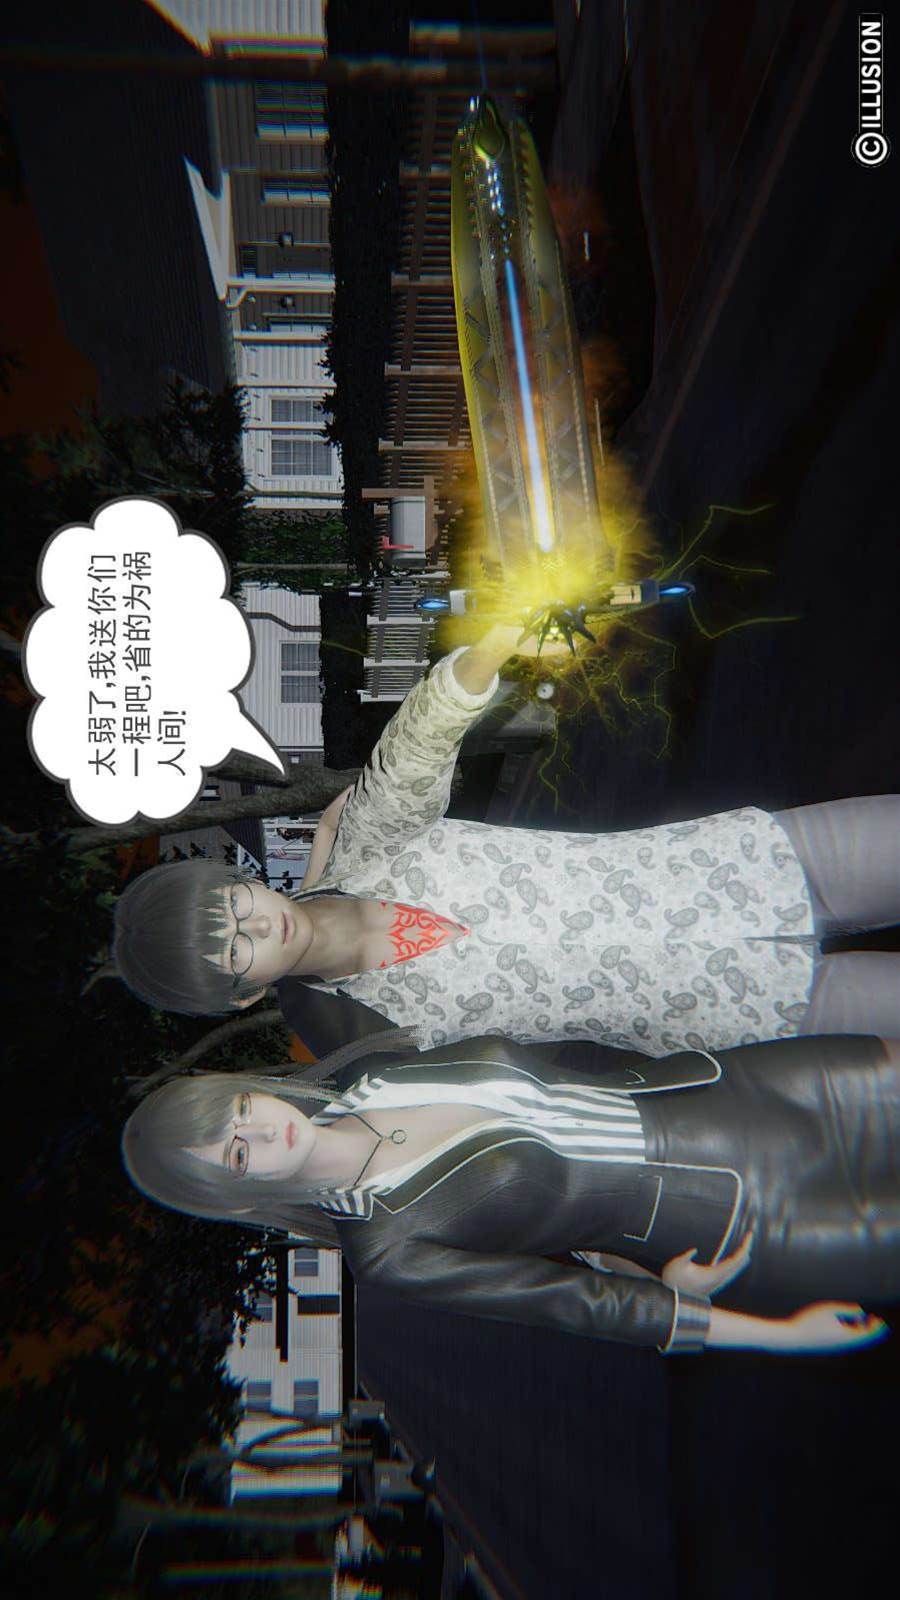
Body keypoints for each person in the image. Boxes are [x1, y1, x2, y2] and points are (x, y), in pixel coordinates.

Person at [112, 623, 900, 1056]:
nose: (256, 924)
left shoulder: (369, 848)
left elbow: (414, 751)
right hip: (751, 1008)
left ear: (242, 881)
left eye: (232, 904)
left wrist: (490, 647)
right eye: (235, 950)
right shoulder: (375, 1039)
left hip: (741, 865)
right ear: (245, 993)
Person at [121, 1029, 899, 1356]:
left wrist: (615, 1256)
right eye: (237, 1154)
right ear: (237, 1196)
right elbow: (570, 1303)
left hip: (721, 1089)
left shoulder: (377, 1072)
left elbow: (560, 1072)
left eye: (242, 1111)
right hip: (735, 1219)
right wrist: (778, 1335)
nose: (264, 1133)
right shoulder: (387, 1249)